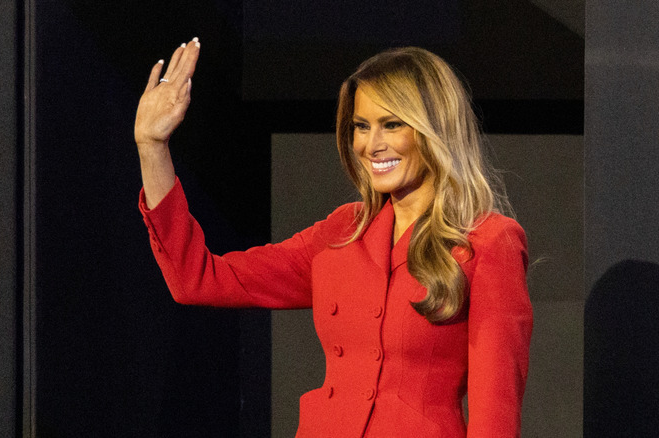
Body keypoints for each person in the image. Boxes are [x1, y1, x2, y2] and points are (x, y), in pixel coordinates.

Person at [135, 38, 532, 437]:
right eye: (361, 126)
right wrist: (153, 149)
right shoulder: (342, 232)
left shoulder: (487, 242)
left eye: (391, 124)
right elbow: (198, 279)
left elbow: (494, 414)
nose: (371, 145)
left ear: (434, 128)